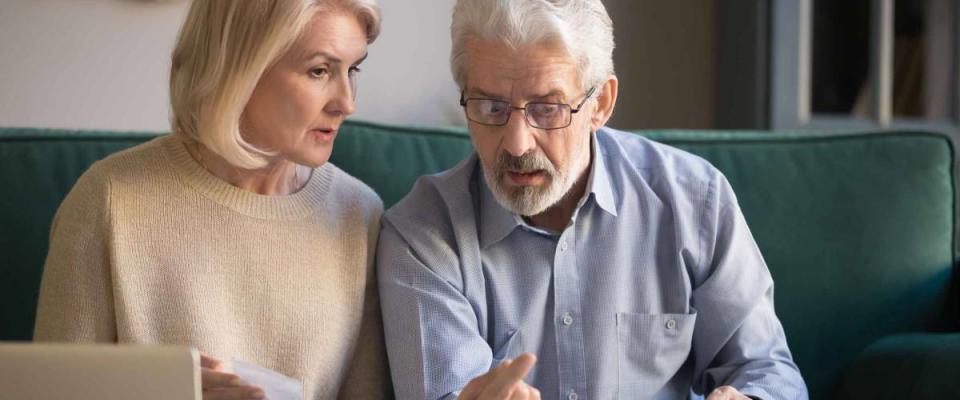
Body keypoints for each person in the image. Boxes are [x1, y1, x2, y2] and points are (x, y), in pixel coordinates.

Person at [376, 1, 808, 399]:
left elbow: (766, 367)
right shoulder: (422, 236)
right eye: (491, 107)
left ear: (600, 103)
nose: (516, 141)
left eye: (547, 109)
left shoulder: (695, 201)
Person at [33, 1, 391, 399]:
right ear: (238, 69)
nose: (346, 102)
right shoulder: (109, 201)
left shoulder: (360, 215)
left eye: (352, 69)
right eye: (319, 70)